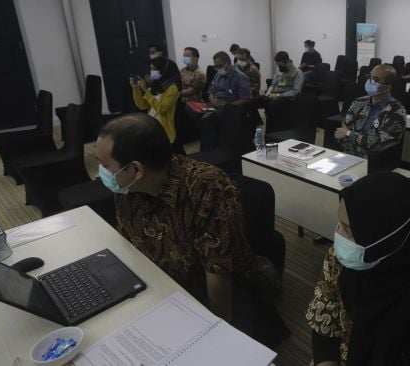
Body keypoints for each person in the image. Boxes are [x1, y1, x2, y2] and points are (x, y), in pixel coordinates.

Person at [94, 113, 289, 345]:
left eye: (106, 166)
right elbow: (128, 238)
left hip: (216, 289)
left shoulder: (207, 189)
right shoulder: (126, 189)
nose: (101, 173)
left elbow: (217, 274)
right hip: (160, 285)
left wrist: (217, 335)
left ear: (136, 170)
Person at [305, 172, 410, 366]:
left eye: (350, 231)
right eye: (340, 223)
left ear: (388, 241)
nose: (338, 235)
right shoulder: (340, 261)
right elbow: (324, 320)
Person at [334, 64, 407, 158]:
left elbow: (377, 145)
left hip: (375, 162)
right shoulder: (359, 102)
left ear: (387, 88)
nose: (370, 82)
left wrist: (349, 134)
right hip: (349, 155)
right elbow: (341, 133)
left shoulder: (396, 111)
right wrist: (349, 135)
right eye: (369, 77)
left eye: (375, 80)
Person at [197, 51, 251, 150]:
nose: (218, 68)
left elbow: (246, 99)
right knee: (198, 114)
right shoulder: (217, 75)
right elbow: (210, 92)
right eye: (215, 66)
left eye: (219, 65)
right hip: (215, 105)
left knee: (208, 120)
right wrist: (212, 99)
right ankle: (210, 148)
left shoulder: (240, 77)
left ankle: (212, 151)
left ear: (228, 63)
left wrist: (227, 104)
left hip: (231, 108)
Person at [130, 57, 182, 153]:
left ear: (164, 70)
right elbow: (142, 105)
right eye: (151, 69)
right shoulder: (155, 86)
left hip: (163, 127)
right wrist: (135, 88)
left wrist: (146, 90)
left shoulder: (172, 88)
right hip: (151, 123)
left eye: (155, 69)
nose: (152, 72)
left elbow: (161, 109)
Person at [257, 51, 304, 132]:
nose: (279, 66)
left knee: (272, 106)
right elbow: (273, 84)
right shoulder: (279, 71)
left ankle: (270, 133)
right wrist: (269, 91)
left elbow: (296, 91)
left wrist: (278, 95)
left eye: (280, 64)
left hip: (287, 99)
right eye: (278, 64)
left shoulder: (298, 73)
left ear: (287, 62)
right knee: (254, 101)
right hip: (273, 95)